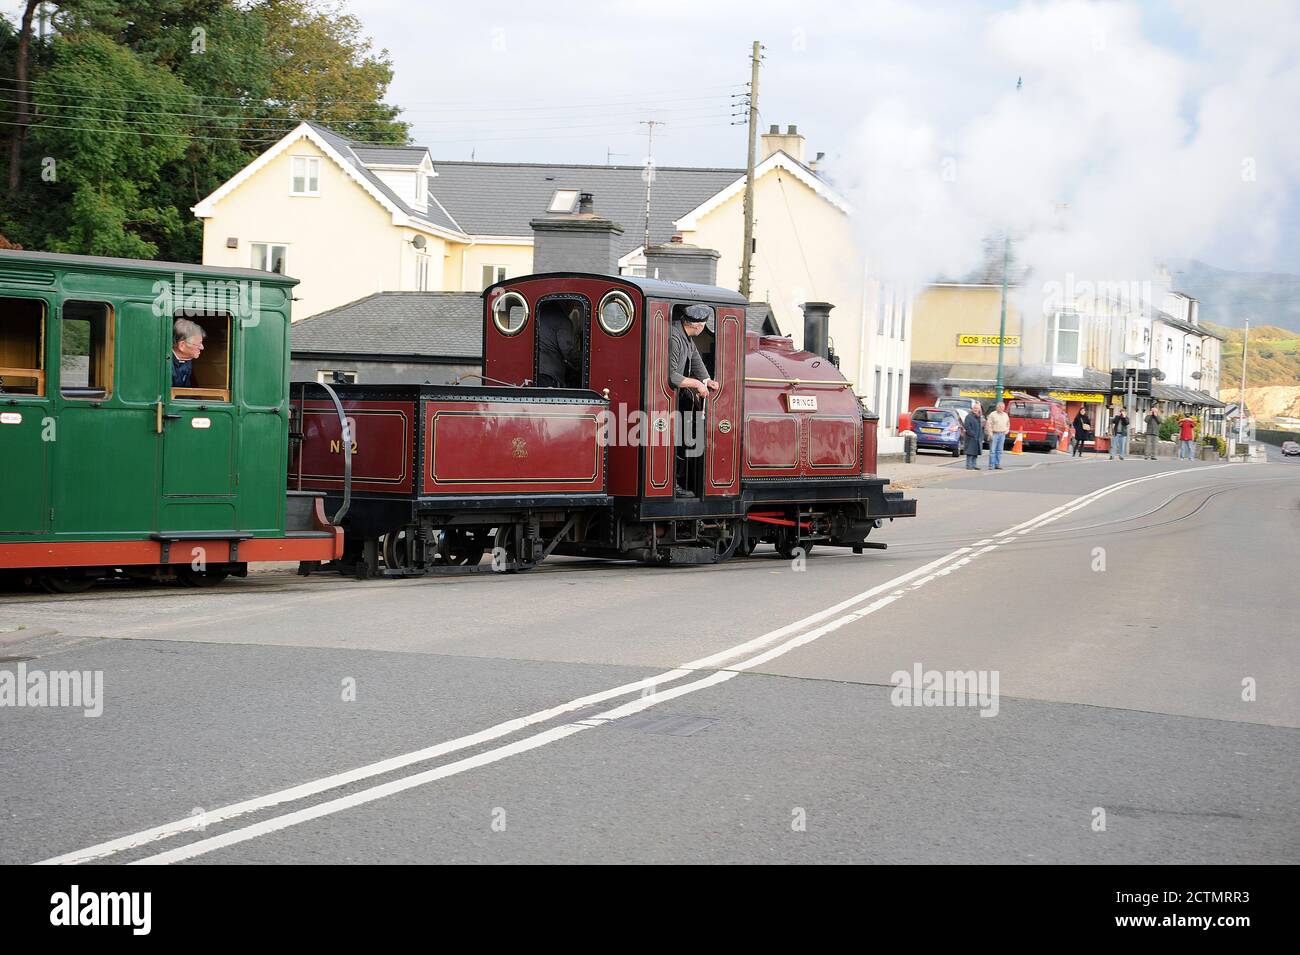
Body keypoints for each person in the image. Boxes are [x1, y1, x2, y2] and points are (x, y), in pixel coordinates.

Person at [668, 304, 719, 495]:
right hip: (665, 401)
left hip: (677, 398)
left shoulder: (685, 336)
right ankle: (673, 485)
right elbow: (671, 375)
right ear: (698, 326)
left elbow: (696, 360)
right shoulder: (674, 338)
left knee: (687, 437)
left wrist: (707, 380)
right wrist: (697, 385)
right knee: (678, 439)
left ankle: (681, 481)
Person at [537, 305, 581, 387]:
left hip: (532, 371)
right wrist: (581, 362)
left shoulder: (537, 314)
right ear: (567, 302)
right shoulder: (562, 320)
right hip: (550, 374)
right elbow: (568, 351)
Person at [171, 318, 205, 387]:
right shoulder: (164, 364)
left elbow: (187, 391)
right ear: (182, 345)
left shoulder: (187, 360)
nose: (202, 347)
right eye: (199, 344)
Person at [986, 400, 1010, 470]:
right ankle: (991, 464)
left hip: (1002, 434)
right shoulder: (992, 414)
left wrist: (1006, 431)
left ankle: (997, 464)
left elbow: (1008, 424)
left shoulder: (1005, 415)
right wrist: (990, 434)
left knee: (999, 450)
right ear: (997, 407)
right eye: (1000, 407)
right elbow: (989, 425)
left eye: (1003, 407)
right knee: (993, 450)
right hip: (994, 433)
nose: (1002, 408)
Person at [962, 401, 984, 470]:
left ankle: (974, 465)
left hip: (977, 437)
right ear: (972, 409)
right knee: (970, 452)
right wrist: (973, 434)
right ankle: (969, 465)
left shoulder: (979, 417)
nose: (975, 409)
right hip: (970, 437)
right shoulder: (968, 416)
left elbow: (981, 427)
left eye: (977, 408)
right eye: (974, 408)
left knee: (975, 453)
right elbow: (967, 427)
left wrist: (980, 436)